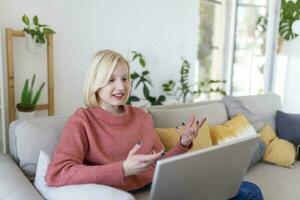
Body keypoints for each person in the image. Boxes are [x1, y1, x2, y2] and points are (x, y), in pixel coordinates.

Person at [46, 50, 263, 199]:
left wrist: (184, 143)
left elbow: (160, 164)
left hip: (158, 187)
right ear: (95, 83)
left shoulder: (141, 116)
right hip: (122, 194)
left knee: (249, 191)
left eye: (125, 78)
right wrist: (122, 168)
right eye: (111, 80)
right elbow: (57, 174)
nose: (121, 86)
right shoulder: (82, 121)